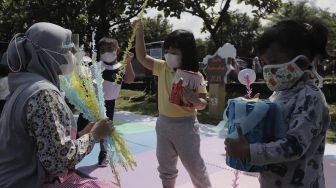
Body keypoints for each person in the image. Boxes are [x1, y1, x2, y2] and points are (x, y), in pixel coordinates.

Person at [0, 22, 116, 188]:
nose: (72, 55)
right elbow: (59, 162)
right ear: (47, 54)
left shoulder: (24, 87)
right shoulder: (43, 93)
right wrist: (94, 136)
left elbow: (43, 143)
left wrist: (80, 135)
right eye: (68, 49)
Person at [225, 20, 331, 188]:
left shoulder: (311, 97)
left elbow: (295, 145)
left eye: (273, 62)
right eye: (265, 63)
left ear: (302, 62)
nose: (267, 70)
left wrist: (249, 151)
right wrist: (258, 111)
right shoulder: (281, 92)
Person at [133, 20, 212, 188]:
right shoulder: (162, 67)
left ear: (187, 53)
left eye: (174, 52)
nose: (168, 55)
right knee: (165, 167)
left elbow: (203, 104)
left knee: (194, 166)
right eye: (166, 51)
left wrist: (194, 99)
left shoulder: (196, 76)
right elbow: (141, 57)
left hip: (186, 128)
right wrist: (139, 33)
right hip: (163, 125)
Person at [77, 37, 135, 167]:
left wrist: (129, 62)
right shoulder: (96, 66)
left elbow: (130, 79)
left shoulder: (121, 67)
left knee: (106, 129)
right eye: (103, 50)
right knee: (83, 127)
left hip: (109, 104)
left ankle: (103, 153)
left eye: (110, 49)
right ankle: (76, 151)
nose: (106, 53)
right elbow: (86, 85)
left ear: (117, 50)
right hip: (92, 104)